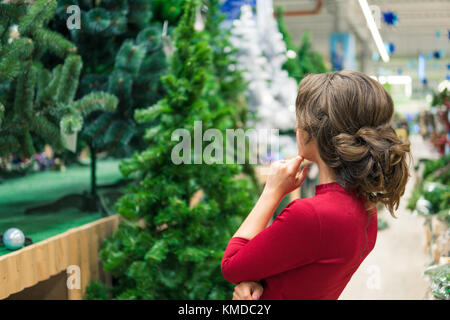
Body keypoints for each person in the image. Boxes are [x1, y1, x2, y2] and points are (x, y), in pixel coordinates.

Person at [221, 70, 411, 300]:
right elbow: (303, 270)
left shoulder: (311, 215)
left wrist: (272, 191)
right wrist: (258, 279)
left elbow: (231, 266)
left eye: (299, 119)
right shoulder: (365, 208)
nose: (295, 127)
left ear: (313, 133)